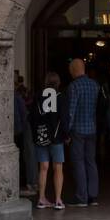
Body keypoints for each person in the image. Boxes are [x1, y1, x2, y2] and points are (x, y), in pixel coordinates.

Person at [65, 58, 101, 207]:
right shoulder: (95, 85)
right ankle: (93, 196)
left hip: (78, 130)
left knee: (78, 162)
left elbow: (71, 112)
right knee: (91, 162)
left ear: (73, 70)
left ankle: (82, 197)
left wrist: (66, 132)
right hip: (92, 129)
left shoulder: (73, 86)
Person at [31, 71, 66, 210]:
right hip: (56, 137)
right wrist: (66, 134)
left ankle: (41, 198)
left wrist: (35, 134)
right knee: (58, 167)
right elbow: (64, 118)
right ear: (58, 82)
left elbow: (32, 117)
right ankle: (58, 200)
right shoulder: (60, 96)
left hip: (41, 135)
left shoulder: (39, 96)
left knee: (43, 168)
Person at [13, 75, 35, 196]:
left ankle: (27, 182)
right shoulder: (19, 96)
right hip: (21, 130)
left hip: (19, 130)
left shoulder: (16, 96)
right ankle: (27, 182)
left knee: (23, 156)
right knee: (24, 157)